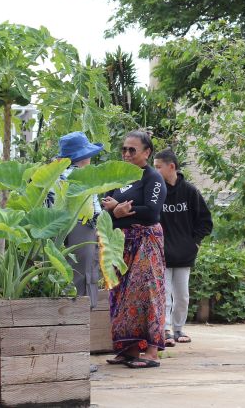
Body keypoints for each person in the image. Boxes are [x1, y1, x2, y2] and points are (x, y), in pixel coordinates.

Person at [102, 130, 167, 369]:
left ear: (146, 153)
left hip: (146, 243)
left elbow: (152, 211)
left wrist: (120, 208)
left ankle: (151, 353)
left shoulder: (153, 178)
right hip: (120, 244)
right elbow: (106, 207)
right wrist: (115, 210)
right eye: (124, 149)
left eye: (133, 150)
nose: (127, 154)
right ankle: (128, 349)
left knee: (148, 293)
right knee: (121, 296)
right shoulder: (118, 177)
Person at [154, 148, 213, 346]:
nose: (155, 171)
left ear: (172, 167)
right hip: (161, 254)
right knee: (164, 295)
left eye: (158, 167)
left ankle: (179, 329)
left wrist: (194, 243)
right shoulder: (156, 191)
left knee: (182, 296)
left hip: (184, 254)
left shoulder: (190, 191)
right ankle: (165, 330)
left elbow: (205, 222)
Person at [48, 131, 104, 309]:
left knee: (63, 273)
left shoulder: (53, 175)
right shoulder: (83, 176)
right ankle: (81, 317)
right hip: (82, 225)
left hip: (55, 227)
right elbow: (95, 212)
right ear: (83, 157)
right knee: (83, 275)